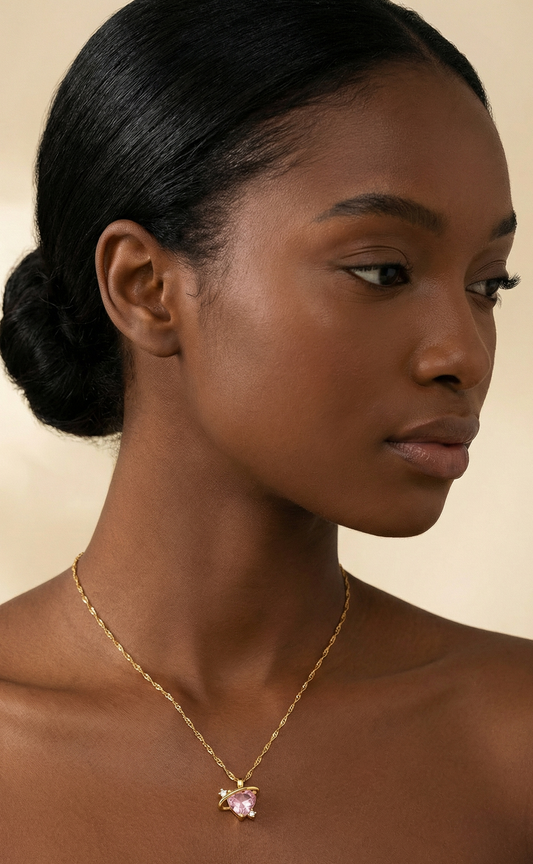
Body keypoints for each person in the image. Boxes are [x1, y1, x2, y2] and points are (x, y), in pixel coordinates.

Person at [0, 0, 531, 859]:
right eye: (382, 270)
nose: (462, 353)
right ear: (144, 288)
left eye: (488, 284)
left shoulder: (514, 742)